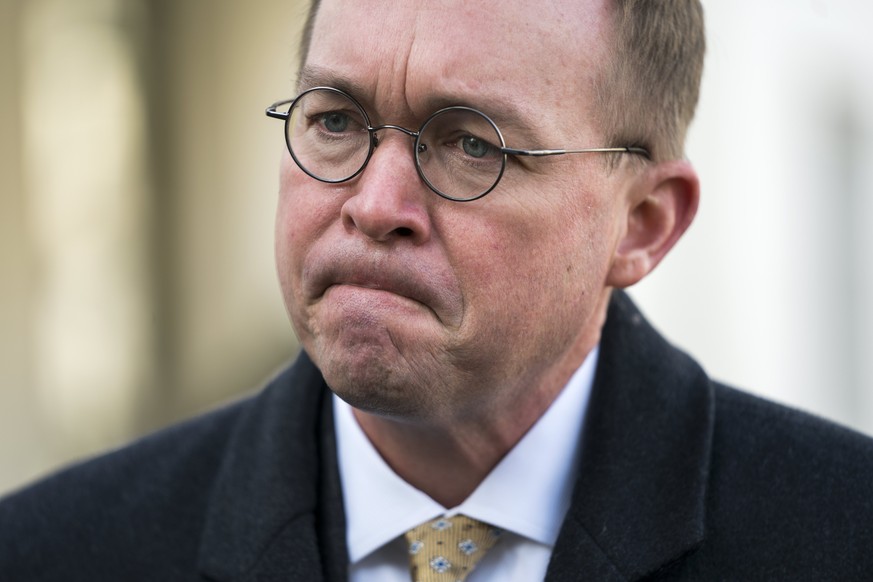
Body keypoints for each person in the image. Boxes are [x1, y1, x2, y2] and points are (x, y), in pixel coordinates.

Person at [2, 0, 873, 580]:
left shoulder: (838, 535)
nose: (374, 206)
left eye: (471, 145)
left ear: (642, 223)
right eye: (335, 121)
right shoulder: (55, 552)